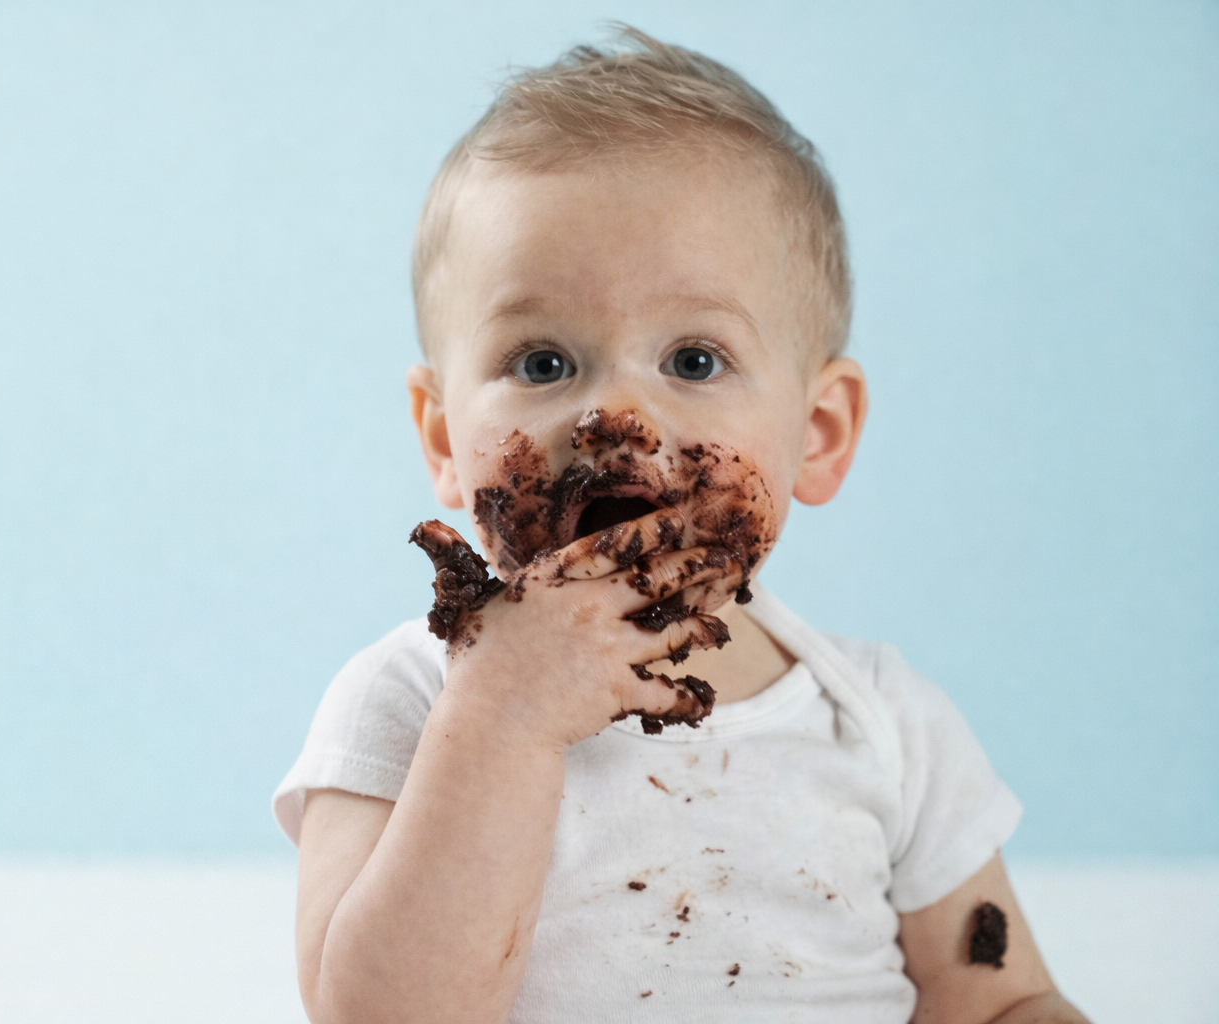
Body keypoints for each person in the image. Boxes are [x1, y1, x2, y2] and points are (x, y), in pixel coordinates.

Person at [273, 27, 1089, 1024]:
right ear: (443, 437)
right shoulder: (406, 703)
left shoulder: (885, 725)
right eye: (542, 363)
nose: (614, 416)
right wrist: (503, 717)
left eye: (694, 361)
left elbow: (1002, 1000)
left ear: (819, 434)